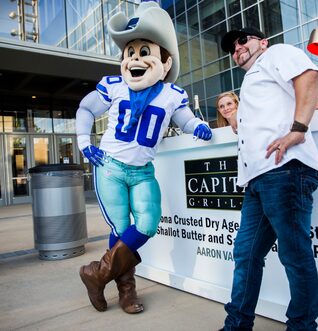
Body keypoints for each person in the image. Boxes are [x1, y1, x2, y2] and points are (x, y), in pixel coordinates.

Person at [76, 1, 212, 314]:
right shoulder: (115, 86)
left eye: (144, 52)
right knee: (122, 229)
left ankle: (96, 274)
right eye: (130, 52)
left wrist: (200, 127)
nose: (135, 59)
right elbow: (85, 108)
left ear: (165, 63)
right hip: (109, 166)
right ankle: (126, 292)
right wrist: (84, 142)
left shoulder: (172, 94)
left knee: (148, 225)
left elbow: (186, 120)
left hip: (142, 171)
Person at [219, 27, 318, 331]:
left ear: (261, 42)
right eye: (232, 48)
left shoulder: (276, 52)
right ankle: (236, 325)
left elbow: (309, 76)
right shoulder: (251, 79)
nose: (237, 48)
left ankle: (301, 327)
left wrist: (298, 128)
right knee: (246, 254)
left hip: (285, 171)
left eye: (242, 40)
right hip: (258, 180)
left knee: (294, 256)